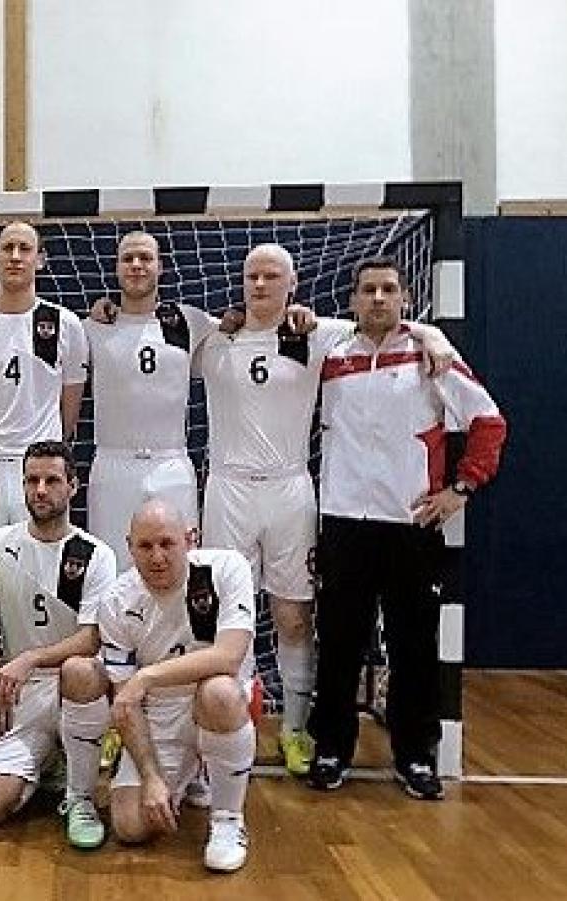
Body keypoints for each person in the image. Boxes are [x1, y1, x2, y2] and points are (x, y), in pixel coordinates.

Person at [195, 243, 456, 777]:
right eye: (252, 275)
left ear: (292, 284)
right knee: (225, 617)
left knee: (294, 618)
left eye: (272, 276)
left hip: (291, 489)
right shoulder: (212, 338)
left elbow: (384, 324)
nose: (260, 284)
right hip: (226, 489)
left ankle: (295, 730)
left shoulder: (319, 335)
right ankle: (230, 728)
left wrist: (434, 333)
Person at [308, 256, 507, 800]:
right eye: (367, 290)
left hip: (409, 526)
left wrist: (460, 490)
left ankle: (416, 757)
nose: (377, 298)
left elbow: (489, 422)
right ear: (351, 300)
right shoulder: (331, 354)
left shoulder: (431, 358)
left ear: (404, 299)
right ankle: (330, 750)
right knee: (340, 645)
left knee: (413, 647)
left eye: (388, 290)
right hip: (345, 524)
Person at [58, 499, 257, 871]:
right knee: (130, 827)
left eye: (167, 544)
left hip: (213, 698)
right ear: (129, 547)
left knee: (220, 692)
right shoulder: (117, 601)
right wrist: (149, 776)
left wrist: (148, 675)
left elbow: (229, 656)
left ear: (190, 539)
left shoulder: (227, 569)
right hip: (158, 711)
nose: (157, 557)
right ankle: (181, 771)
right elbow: (125, 702)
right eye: (145, 547)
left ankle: (228, 820)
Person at [0, 441, 117, 831]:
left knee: (81, 669)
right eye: (32, 480)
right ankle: (48, 758)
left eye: (52, 480)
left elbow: (90, 639)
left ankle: (80, 797)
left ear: (73, 485)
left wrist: (30, 658)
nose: (40, 490)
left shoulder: (95, 554)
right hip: (19, 691)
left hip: (74, 687)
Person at [0, 222, 88, 541]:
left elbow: (70, 406)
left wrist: (45, 448)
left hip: (38, 467)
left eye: (25, 249)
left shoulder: (65, 324)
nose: (15, 256)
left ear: (40, 259)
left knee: (38, 563)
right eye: (7, 248)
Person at [84, 231, 217, 572]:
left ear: (161, 266)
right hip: (113, 465)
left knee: (181, 570)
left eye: (145, 258)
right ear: (116, 268)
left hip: (171, 463)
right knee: (110, 571)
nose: (137, 265)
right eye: (128, 259)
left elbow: (247, 326)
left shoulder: (190, 322)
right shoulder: (90, 328)